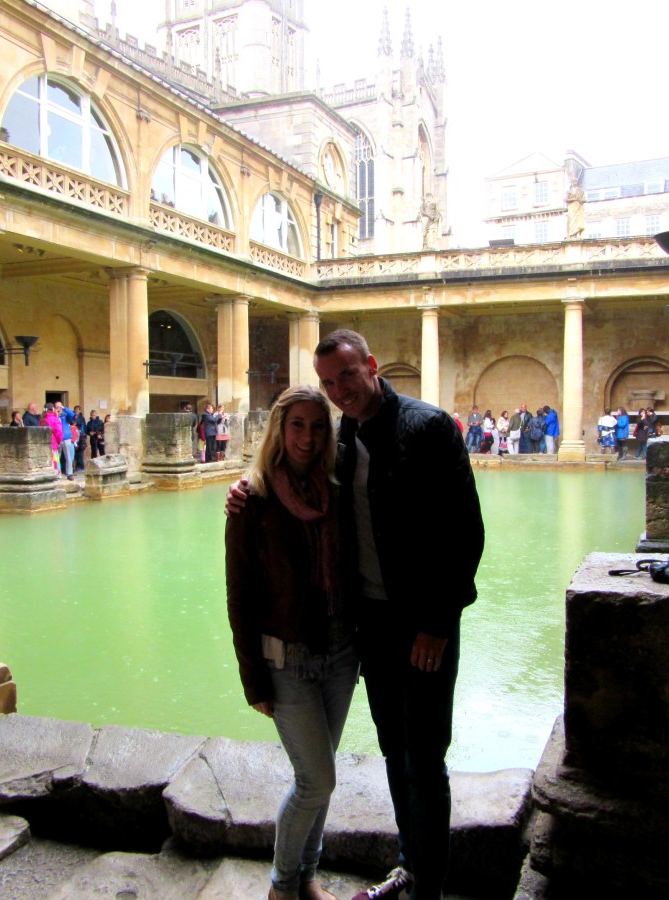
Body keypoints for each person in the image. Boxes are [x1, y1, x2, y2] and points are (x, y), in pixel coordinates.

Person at [229, 329, 484, 900]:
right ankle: (409, 866)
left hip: (423, 627)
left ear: (371, 365)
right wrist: (245, 491)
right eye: (327, 383)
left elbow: (464, 536)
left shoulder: (429, 427)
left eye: (347, 375)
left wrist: (438, 624)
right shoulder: (340, 440)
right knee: (396, 752)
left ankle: (427, 890)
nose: (338, 390)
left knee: (424, 758)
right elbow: (291, 496)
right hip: (370, 627)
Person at [225, 385, 357, 900]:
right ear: (279, 429)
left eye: (317, 425)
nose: (306, 436)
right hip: (286, 660)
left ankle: (307, 876)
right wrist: (251, 675)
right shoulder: (251, 498)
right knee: (316, 781)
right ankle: (282, 885)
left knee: (319, 775)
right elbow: (240, 596)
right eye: (297, 424)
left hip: (341, 654)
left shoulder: (337, 489)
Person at [72, 405, 88, 472]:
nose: (76, 411)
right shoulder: (72, 416)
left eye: (78, 409)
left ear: (80, 410)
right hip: (74, 436)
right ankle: (76, 466)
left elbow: (83, 427)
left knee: (80, 452)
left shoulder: (81, 418)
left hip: (81, 436)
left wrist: (85, 435)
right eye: (75, 409)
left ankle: (81, 467)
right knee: (75, 453)